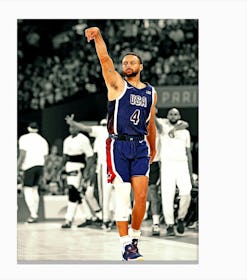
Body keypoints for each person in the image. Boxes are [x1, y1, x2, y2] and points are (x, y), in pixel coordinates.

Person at [85, 27, 157, 261]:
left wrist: (153, 146)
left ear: (140, 67)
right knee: (123, 195)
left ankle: (135, 238)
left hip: (140, 146)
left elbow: (151, 123)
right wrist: (98, 37)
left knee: (142, 196)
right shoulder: (117, 84)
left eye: (132, 62)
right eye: (125, 62)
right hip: (118, 146)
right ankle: (126, 245)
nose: (127, 65)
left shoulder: (150, 92)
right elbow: (105, 59)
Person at [65, 115, 116, 231]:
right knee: (106, 194)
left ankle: (120, 219)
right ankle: (106, 219)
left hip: (118, 165)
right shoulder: (101, 130)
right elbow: (85, 128)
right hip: (106, 165)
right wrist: (73, 123)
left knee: (117, 194)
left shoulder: (124, 129)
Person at [147, 110, 189, 236]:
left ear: (179, 116)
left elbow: (185, 124)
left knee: (187, 192)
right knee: (167, 196)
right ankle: (169, 224)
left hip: (182, 164)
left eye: (175, 114)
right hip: (166, 165)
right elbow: (157, 125)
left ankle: (181, 218)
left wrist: (174, 129)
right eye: (171, 114)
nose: (173, 116)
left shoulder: (184, 131)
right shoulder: (162, 126)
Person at [60, 124, 100, 229]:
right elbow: (65, 156)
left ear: (78, 128)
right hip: (69, 167)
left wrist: (86, 171)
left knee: (73, 192)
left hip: (79, 167)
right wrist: (60, 169)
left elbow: (90, 157)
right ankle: (89, 217)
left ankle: (68, 219)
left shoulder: (83, 139)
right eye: (70, 127)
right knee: (78, 195)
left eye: (74, 127)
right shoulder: (67, 140)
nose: (71, 129)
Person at [17, 122, 49, 223]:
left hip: (29, 166)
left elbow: (22, 154)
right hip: (40, 165)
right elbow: (46, 157)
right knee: (35, 189)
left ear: (28, 128)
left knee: (27, 189)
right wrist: (44, 170)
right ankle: (34, 213)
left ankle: (33, 214)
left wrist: (17, 168)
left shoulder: (24, 138)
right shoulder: (43, 140)